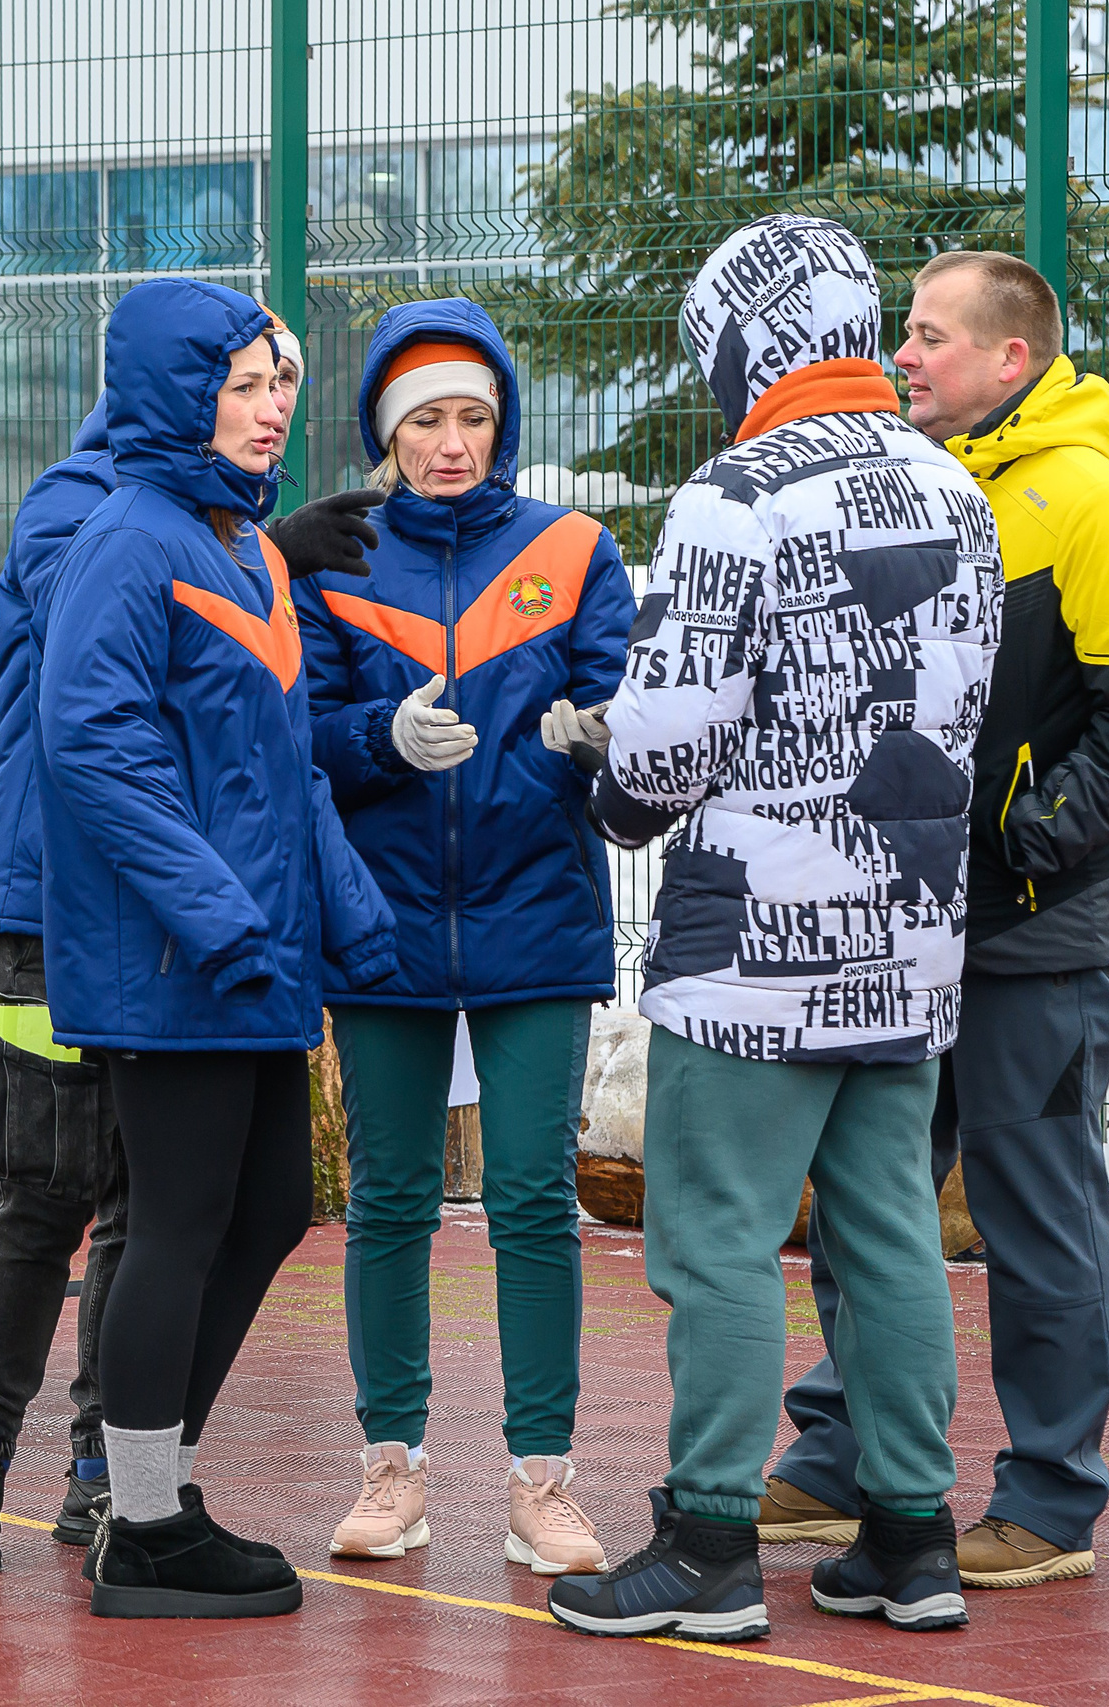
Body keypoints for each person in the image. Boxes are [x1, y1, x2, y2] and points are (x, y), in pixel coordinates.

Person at [545, 216, 1001, 1642]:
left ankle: (706, 1543)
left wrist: (603, 782)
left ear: (745, 339)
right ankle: (913, 1536)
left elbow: (672, 745)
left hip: (757, 953)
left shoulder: (734, 497)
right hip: (913, 937)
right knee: (890, 1242)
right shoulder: (953, 486)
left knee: (719, 1242)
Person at [763, 249, 1109, 1590]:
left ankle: (1053, 1496)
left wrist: (1030, 840)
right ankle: (842, 1448)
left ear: (1013, 357)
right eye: (907, 329)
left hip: (1029, 935)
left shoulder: (1089, 501)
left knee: (1035, 1213)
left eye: (931, 334)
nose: (907, 353)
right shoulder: (937, 481)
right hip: (908, 926)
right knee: (868, 1199)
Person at [0, 335, 390, 1577]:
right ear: (177, 396)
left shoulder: (236, 543)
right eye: (242, 384)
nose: (273, 409)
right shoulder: (112, 528)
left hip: (246, 950)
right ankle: (96, 1507)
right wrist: (219, 915)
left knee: (259, 1211)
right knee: (83, 1204)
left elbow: (277, 764)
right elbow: (98, 748)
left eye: (281, 385)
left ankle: (136, 1483)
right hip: (136, 937)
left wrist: (342, 907)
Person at [293, 298, 632, 1574]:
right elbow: (298, 729)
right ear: (387, 432)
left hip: (534, 915)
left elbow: (621, 697)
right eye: (424, 419)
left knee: (534, 1202)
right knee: (387, 1199)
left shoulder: (574, 547)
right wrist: (376, 743)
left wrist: (592, 735)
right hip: (379, 924)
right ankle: (392, 1470)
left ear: (504, 423)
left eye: (473, 417)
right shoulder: (333, 553)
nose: (451, 442)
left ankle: (542, 1480)